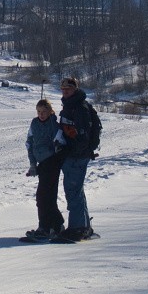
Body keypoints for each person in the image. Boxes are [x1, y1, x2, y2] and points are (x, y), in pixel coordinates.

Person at [54, 77, 95, 241]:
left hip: (76, 156)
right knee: (76, 190)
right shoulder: (70, 105)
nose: (65, 91)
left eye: (68, 89)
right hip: (73, 155)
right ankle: (83, 226)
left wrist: (70, 150)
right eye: (63, 89)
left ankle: (77, 228)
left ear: (75, 89)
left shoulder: (79, 108)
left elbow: (82, 136)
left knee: (73, 190)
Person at [23, 98, 64, 241]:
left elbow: (60, 142)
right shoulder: (34, 123)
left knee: (44, 196)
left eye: (44, 111)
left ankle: (46, 227)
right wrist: (33, 164)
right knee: (45, 196)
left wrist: (55, 152)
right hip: (41, 163)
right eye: (39, 111)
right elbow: (29, 143)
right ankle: (55, 225)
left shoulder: (54, 124)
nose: (41, 114)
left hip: (52, 162)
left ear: (50, 111)